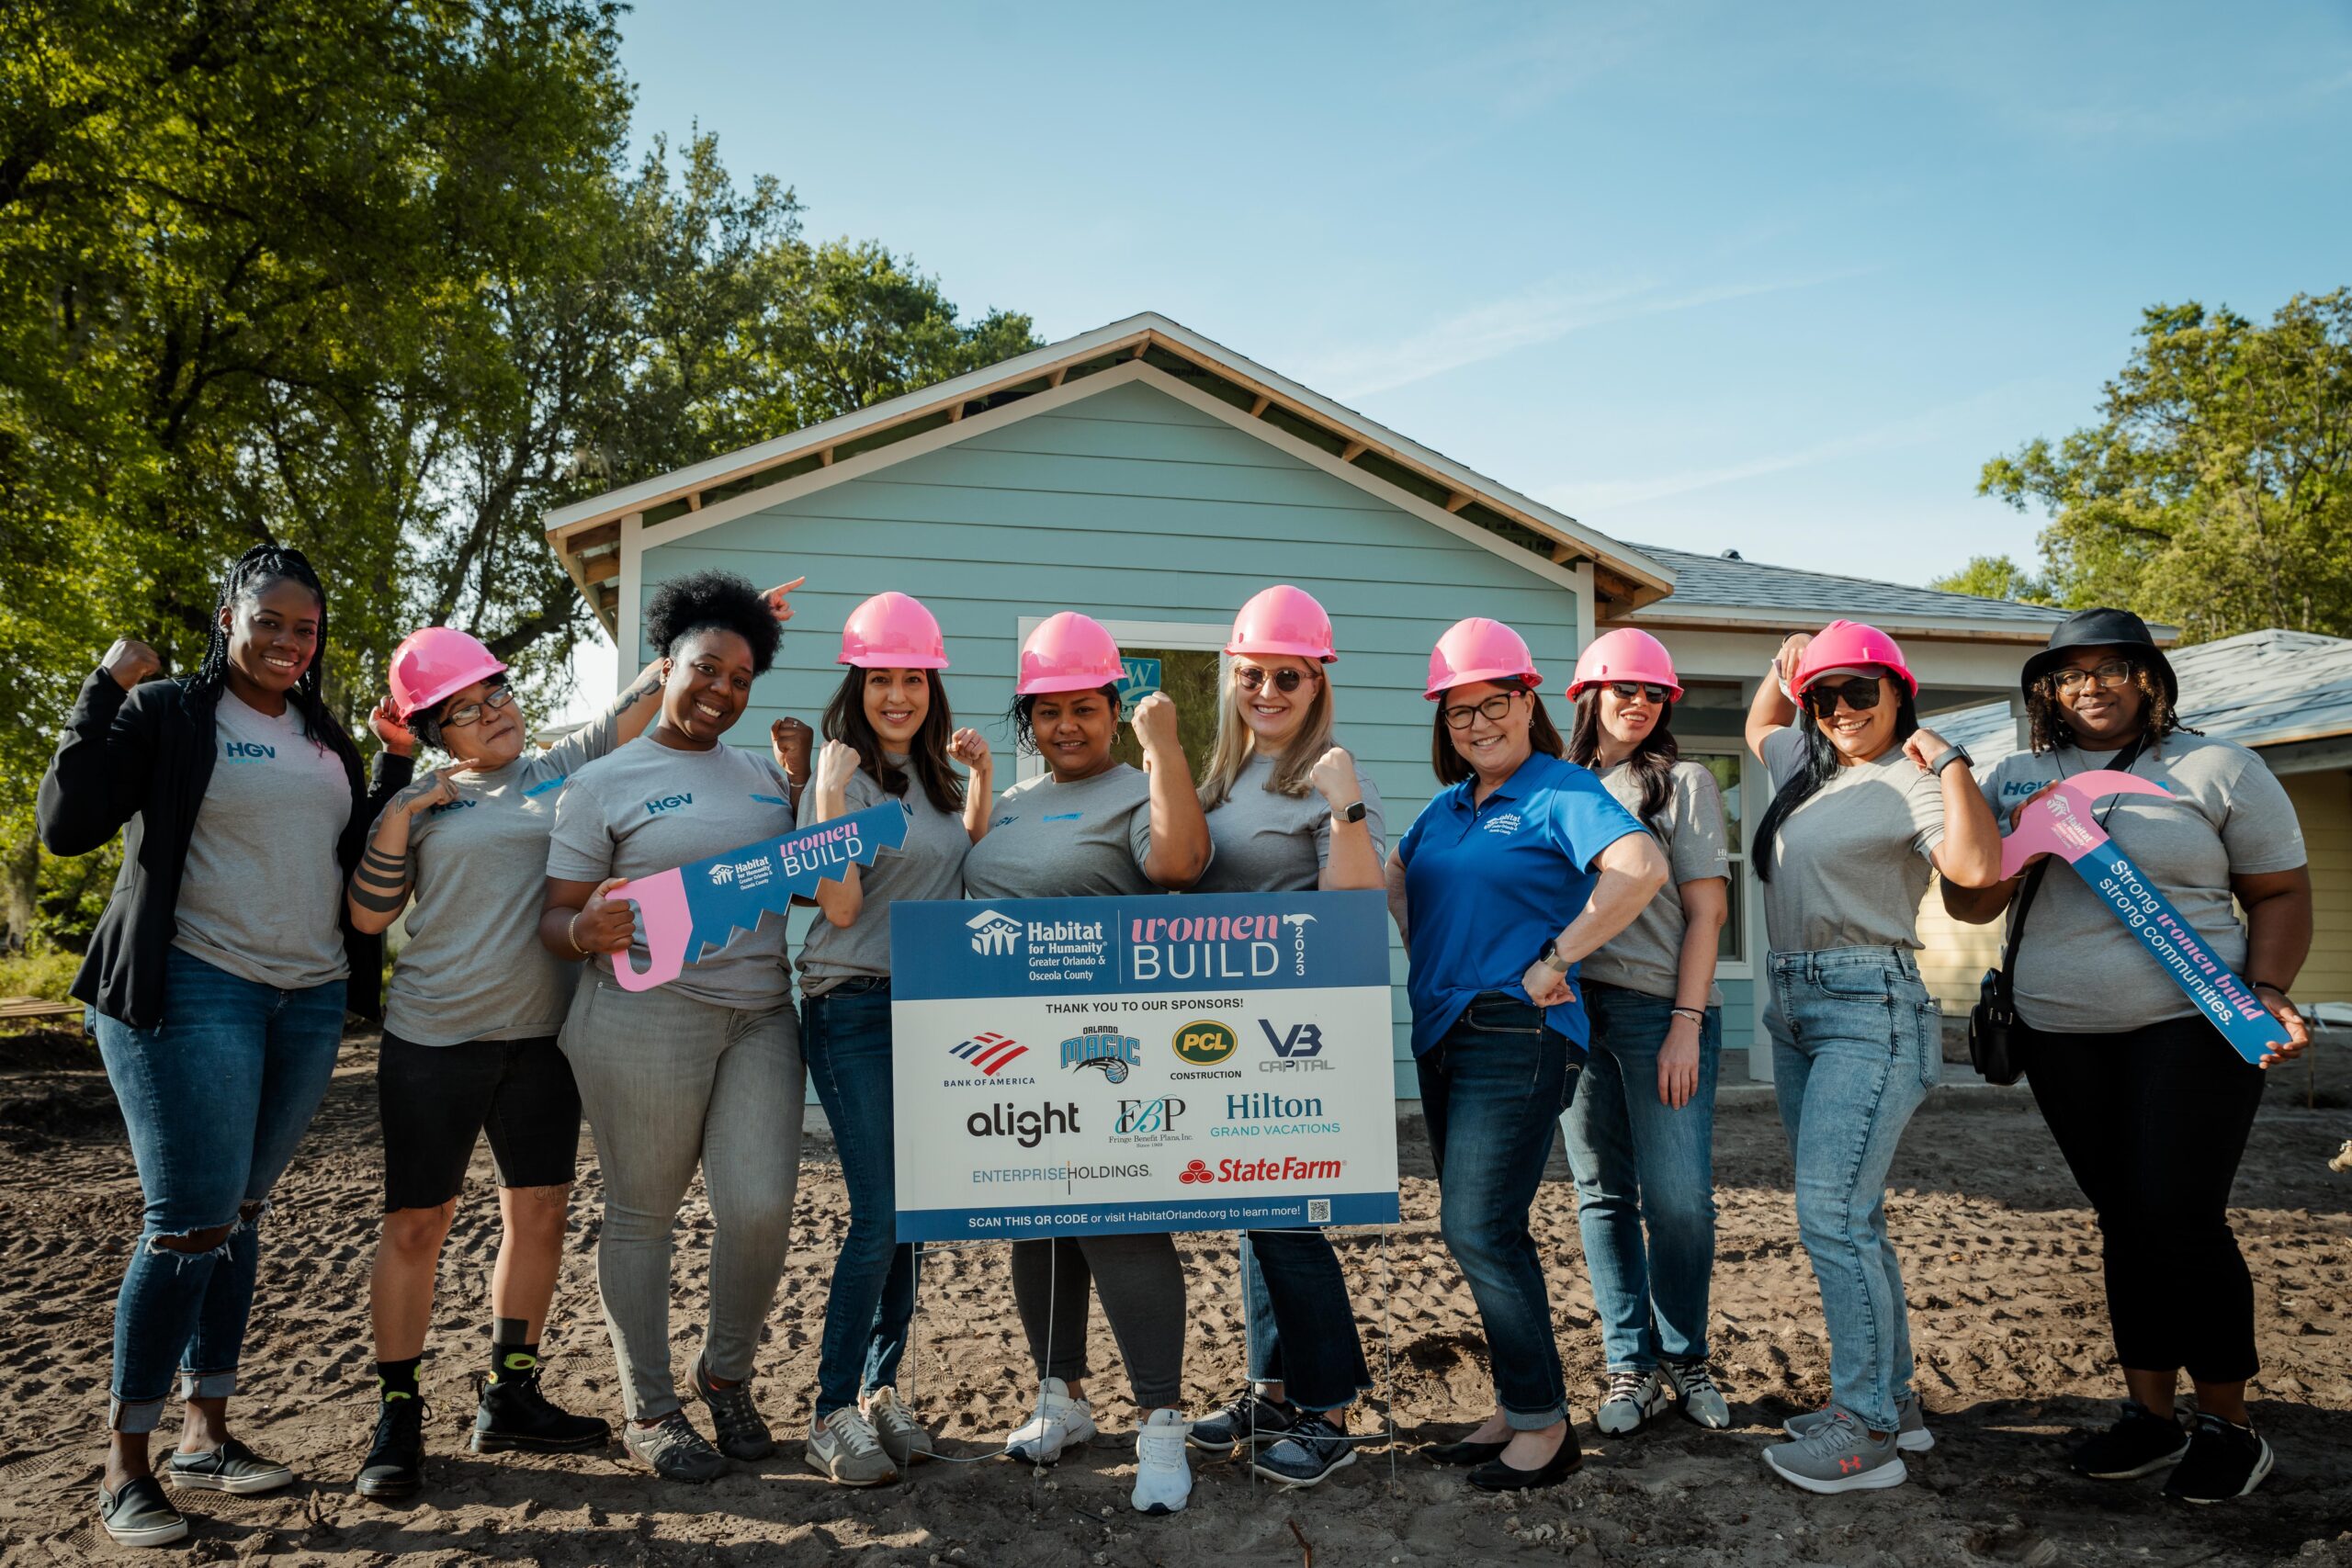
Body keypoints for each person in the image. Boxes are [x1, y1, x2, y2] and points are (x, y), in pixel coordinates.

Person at [345, 585, 794, 1498]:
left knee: (539, 1215)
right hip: (437, 1034)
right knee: (418, 1224)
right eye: (466, 710)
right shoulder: (423, 799)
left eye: (498, 693)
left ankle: (511, 1393)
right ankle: (398, 1411)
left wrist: (706, 638)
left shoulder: (556, 773)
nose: (493, 713)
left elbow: (630, 708)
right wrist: (397, 806)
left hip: (543, 1037)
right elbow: (364, 912)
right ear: (434, 728)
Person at [37, 545, 413, 1549]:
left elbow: (358, 855)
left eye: (307, 628)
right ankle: (126, 1465)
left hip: (307, 999)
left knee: (239, 1215)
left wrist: (397, 765)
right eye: (271, 621)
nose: (290, 642)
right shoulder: (166, 712)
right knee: (189, 1223)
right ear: (226, 619)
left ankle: (207, 1434)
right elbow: (68, 824)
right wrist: (101, 688)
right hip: (192, 986)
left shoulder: (321, 734)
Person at [1944, 607, 2312, 1503]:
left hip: (2192, 1022)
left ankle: (2229, 1425)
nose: (2091, 686)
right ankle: (2149, 1418)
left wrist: (2265, 990)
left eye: (2113, 668)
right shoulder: (2015, 776)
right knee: (2123, 1217)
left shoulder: (2219, 767)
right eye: (2070, 673)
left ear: (2150, 677)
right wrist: (2017, 841)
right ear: (2046, 690)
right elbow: (1970, 908)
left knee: (2177, 1215)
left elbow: (2279, 891)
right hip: (2057, 1033)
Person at [1385, 617, 1668, 1494]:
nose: (1477, 723)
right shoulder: (1446, 807)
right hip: (1442, 1030)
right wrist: (1436, 954)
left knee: (1475, 1227)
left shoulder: (1557, 790)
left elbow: (1641, 863)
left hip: (1518, 1030)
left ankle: (1546, 1426)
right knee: (1487, 1230)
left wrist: (1555, 957)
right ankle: (1518, 1402)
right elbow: (1398, 880)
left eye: (1494, 704)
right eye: (1459, 711)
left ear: (1528, 703)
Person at [537, 570, 808, 1483]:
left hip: (761, 1016)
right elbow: (558, 915)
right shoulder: (603, 784)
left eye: (740, 678)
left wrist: (812, 787)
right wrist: (582, 930)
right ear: (667, 666)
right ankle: (650, 1407)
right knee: (644, 1214)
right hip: (645, 1017)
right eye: (707, 670)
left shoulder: (766, 778)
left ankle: (725, 1373)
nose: (723, 692)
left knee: (762, 1208)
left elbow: (809, 874)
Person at [960, 611, 1212, 1515]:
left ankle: (1160, 1423)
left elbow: (1181, 865)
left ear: (1113, 709)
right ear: (1025, 719)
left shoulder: (1139, 790)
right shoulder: (1016, 802)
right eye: (1046, 711)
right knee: (1039, 1224)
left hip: (1114, 1052)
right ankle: (1062, 1398)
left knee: (1121, 1227)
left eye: (1083, 707)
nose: (1065, 725)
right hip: (1015, 1054)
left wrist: (1163, 750)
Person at [1742, 619, 1999, 1495]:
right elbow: (1757, 726)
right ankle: (1894, 1401)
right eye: (1826, 694)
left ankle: (1867, 1434)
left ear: (1899, 693)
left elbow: (1970, 866)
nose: (1842, 707)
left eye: (1862, 690)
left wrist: (1949, 755)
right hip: (1794, 1011)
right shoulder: (1805, 770)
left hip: (1869, 1006)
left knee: (1833, 1219)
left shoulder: (1913, 778)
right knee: (1857, 1218)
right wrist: (1789, 665)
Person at [1180, 586, 1385, 1489]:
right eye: (1253, 673)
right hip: (1222, 1029)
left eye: (1286, 676)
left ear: (1317, 682)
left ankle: (1328, 1407)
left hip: (1296, 1031)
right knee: (1253, 1217)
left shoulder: (1333, 774)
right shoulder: (1221, 778)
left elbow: (1355, 909)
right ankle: (1272, 1387)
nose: (1267, 690)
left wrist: (1342, 807)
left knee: (1286, 1221)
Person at [795, 592, 995, 1487]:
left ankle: (881, 1390)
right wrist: (830, 793)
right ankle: (830, 1408)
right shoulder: (841, 779)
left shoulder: (931, 780)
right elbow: (837, 905)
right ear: (858, 684)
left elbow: (961, 862)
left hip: (925, 1010)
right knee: (878, 1209)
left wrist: (982, 780)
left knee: (910, 1215)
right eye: (882, 679)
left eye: (913, 678)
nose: (898, 694)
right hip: (850, 1005)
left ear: (931, 686)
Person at [1556, 628, 1734, 1436]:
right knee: (1603, 1196)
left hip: (1662, 1008)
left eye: (1652, 691)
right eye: (1620, 687)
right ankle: (1629, 1364)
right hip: (1571, 1009)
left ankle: (1685, 1353)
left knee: (1680, 1201)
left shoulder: (1681, 782)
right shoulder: (1555, 784)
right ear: (1587, 695)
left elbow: (1708, 912)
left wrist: (1686, 1024)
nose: (1636, 701)